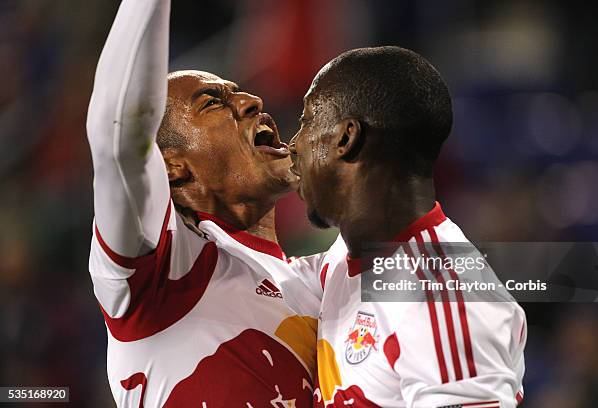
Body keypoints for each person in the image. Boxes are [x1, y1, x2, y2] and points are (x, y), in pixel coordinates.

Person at [86, 0, 321, 406]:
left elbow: (450, 282)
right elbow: (118, 135)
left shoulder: (324, 280)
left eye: (240, 93)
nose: (252, 101)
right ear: (170, 167)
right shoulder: (163, 274)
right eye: (213, 103)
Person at [289, 46, 526, 407]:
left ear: (345, 138)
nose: (294, 145)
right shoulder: (345, 259)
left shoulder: (440, 298)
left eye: (306, 121)